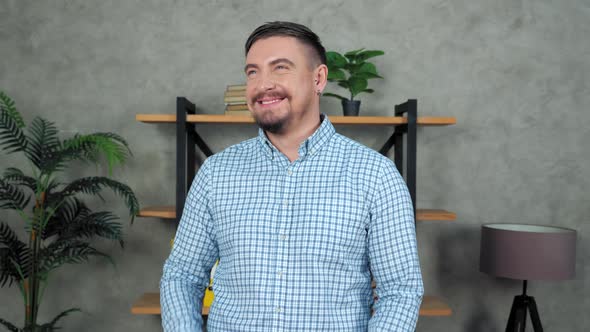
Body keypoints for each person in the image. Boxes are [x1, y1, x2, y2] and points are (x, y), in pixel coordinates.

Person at [160, 21, 423, 331]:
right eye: (252, 72)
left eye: (280, 68)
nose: (262, 84)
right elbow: (182, 276)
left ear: (318, 78)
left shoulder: (375, 175)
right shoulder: (216, 173)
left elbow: (400, 291)